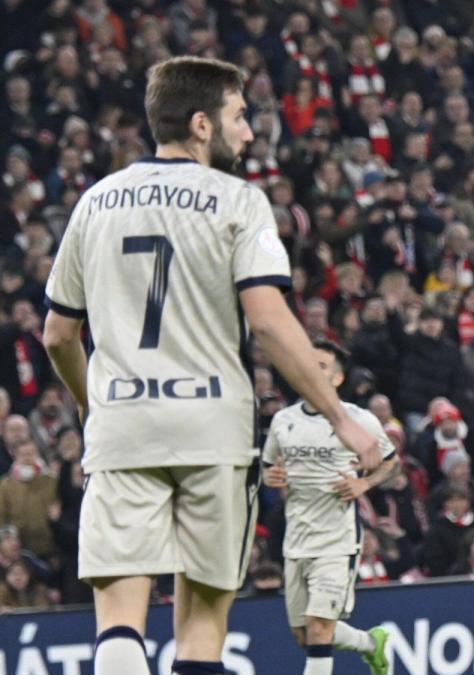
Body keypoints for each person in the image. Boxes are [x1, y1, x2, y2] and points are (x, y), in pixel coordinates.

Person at [41, 56, 381, 675]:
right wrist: (341, 417)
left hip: (123, 426)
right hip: (212, 431)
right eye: (239, 117)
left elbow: (59, 333)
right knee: (202, 624)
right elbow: (271, 321)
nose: (248, 132)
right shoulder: (238, 201)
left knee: (118, 615)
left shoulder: (96, 201)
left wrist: (92, 401)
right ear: (202, 124)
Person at [261, 341, 397, 675]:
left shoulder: (357, 419)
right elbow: (267, 469)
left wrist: (363, 484)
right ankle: (370, 643)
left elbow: (390, 462)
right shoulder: (283, 420)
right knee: (304, 635)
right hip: (297, 538)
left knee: (319, 627)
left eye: (321, 366)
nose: (310, 369)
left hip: (337, 539)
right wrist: (272, 476)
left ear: (336, 379)